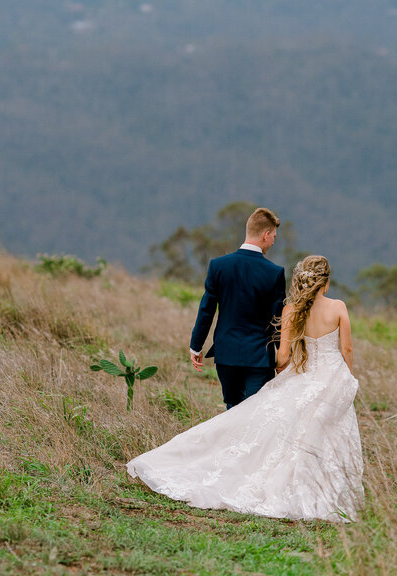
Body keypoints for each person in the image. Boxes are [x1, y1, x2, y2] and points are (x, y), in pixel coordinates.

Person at [127, 255, 364, 522]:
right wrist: (346, 375)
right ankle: (325, 491)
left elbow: (283, 356)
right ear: (326, 282)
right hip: (332, 378)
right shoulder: (339, 307)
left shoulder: (291, 311)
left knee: (276, 430)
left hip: (304, 374)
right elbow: (347, 349)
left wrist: (285, 376)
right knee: (328, 433)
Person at [189, 207, 286, 410]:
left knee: (233, 408)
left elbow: (206, 310)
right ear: (265, 235)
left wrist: (196, 346)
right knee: (256, 412)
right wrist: (283, 356)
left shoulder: (218, 266)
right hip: (260, 357)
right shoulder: (274, 273)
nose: (274, 241)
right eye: (274, 236)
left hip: (227, 354)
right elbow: (278, 320)